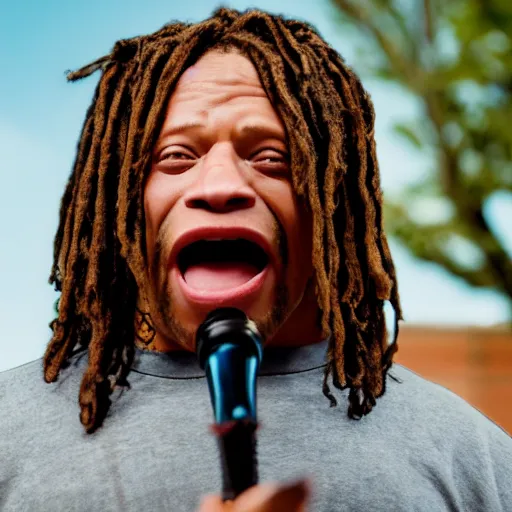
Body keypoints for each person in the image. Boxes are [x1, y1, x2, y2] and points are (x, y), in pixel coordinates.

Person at [1, 7, 511, 512]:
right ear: (118, 200)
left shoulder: (470, 460)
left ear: (331, 199)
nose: (221, 186)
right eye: (177, 156)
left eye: (271, 157)